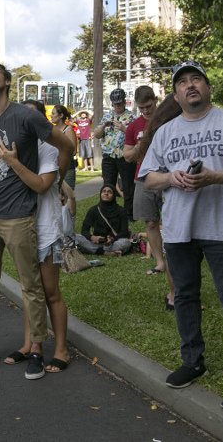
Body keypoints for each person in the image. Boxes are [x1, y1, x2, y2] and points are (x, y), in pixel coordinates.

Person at [139, 60, 223, 413]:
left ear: (208, 87)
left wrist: (213, 177)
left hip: (222, 225)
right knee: (184, 296)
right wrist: (172, 177)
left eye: (197, 79)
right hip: (178, 228)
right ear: (176, 94)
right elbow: (148, 177)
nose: (190, 85)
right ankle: (193, 361)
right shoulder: (165, 132)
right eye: (182, 82)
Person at [0, 61, 73, 381]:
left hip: (19, 215)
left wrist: (59, 178)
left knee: (31, 285)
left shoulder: (26, 116)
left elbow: (66, 145)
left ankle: (36, 348)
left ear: (8, 81)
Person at [0, 100, 70, 374]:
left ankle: (61, 349)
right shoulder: (14, 145)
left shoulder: (48, 147)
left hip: (46, 228)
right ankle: (29, 344)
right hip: (21, 227)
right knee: (29, 290)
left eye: (32, 116)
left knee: (50, 292)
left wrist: (13, 162)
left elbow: (42, 185)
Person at [124, 86, 174, 307]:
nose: (145, 110)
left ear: (156, 100)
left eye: (149, 106)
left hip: (167, 176)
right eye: (141, 107)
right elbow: (127, 155)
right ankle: (160, 261)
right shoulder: (134, 126)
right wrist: (139, 146)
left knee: (170, 221)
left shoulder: (168, 119)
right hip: (143, 178)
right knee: (150, 222)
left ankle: (173, 259)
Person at [136, 93, 183, 310]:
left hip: (179, 195)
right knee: (176, 246)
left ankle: (177, 294)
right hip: (172, 195)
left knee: (179, 247)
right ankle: (175, 294)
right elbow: (148, 174)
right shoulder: (165, 130)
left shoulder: (160, 127)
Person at [94, 88, 136, 219]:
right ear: (112, 103)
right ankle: (108, 212)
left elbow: (136, 137)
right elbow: (97, 135)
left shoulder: (131, 117)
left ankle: (129, 214)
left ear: (124, 102)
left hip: (124, 156)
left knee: (128, 185)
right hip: (108, 156)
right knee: (108, 185)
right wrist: (102, 126)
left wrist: (124, 129)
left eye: (120, 103)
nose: (117, 106)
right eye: (115, 104)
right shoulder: (107, 116)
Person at [75, 184, 132, 256]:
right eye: (104, 191)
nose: (106, 193)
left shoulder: (121, 211)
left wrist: (112, 239)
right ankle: (105, 252)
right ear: (100, 194)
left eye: (109, 192)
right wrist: (92, 237)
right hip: (96, 242)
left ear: (114, 195)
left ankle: (96, 250)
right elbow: (84, 230)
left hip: (113, 243)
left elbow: (124, 232)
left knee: (125, 242)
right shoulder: (93, 210)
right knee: (75, 237)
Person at [51, 104, 77, 216]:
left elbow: (73, 150)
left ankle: (68, 222)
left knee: (68, 198)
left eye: (53, 113)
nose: (51, 116)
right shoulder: (52, 130)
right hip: (54, 167)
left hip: (67, 169)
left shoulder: (68, 129)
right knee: (56, 198)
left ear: (61, 115)